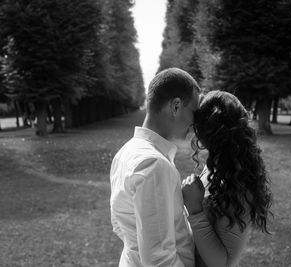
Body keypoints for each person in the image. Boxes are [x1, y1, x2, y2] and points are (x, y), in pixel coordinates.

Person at [110, 68, 201, 266]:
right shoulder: (155, 164)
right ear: (176, 106)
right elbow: (159, 260)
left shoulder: (124, 153)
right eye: (194, 111)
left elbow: (119, 225)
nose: (195, 123)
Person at [182, 90, 273, 267]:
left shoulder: (237, 184)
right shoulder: (219, 166)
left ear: (203, 132)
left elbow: (223, 263)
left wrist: (194, 211)